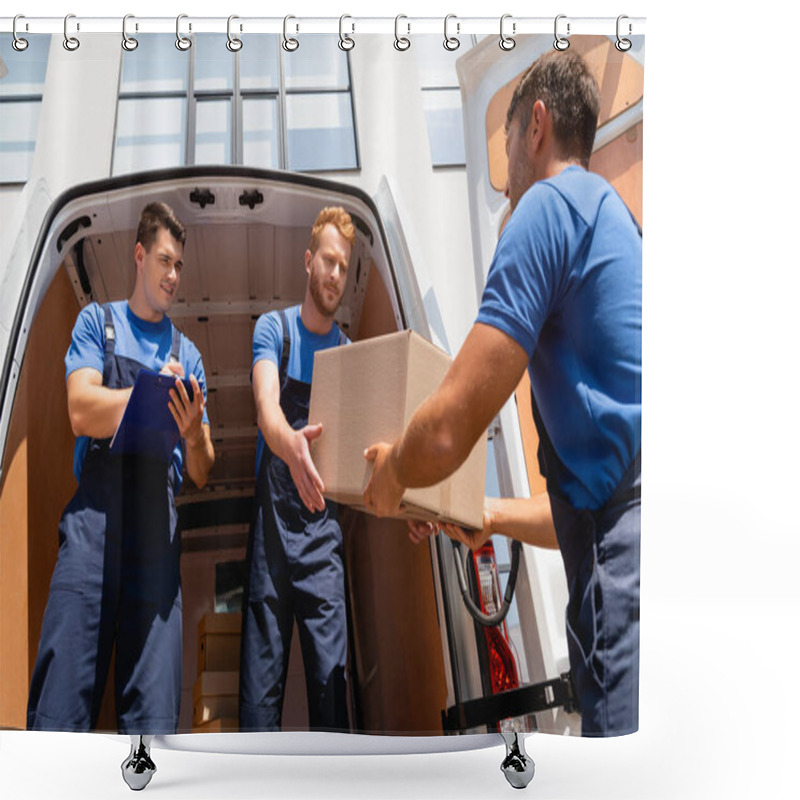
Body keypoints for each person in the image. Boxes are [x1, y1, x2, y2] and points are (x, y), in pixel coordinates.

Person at [364, 50, 641, 737]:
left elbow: (445, 432)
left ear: (536, 126)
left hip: (624, 584)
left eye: (508, 138)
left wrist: (392, 473)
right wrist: (484, 513)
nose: (508, 160)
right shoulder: (613, 219)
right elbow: (590, 514)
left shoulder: (543, 210)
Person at [27, 202, 215, 737]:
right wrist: (149, 392)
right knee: (62, 692)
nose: (173, 275)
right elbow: (81, 410)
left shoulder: (191, 354)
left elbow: (202, 470)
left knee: (153, 717)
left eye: (179, 265)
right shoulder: (98, 323)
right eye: (164, 261)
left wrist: (193, 427)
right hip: (94, 523)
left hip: (157, 527)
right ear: (139, 256)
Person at [239, 206, 355, 732]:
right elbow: (266, 409)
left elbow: (368, 454)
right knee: (259, 697)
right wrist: (292, 446)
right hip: (271, 538)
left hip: (322, 539)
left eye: (344, 268)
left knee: (334, 687)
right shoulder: (275, 330)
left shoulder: (351, 355)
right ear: (309, 261)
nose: (335, 274)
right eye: (328, 261)